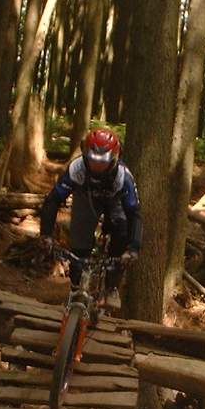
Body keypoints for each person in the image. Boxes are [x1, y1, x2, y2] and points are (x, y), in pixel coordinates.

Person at [39, 128, 142, 312]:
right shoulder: (77, 168)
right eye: (93, 159)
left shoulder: (123, 177)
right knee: (79, 243)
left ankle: (111, 287)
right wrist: (45, 234)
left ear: (114, 158)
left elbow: (134, 212)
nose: (96, 166)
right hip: (86, 197)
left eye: (102, 162)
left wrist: (133, 248)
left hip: (115, 200)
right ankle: (75, 288)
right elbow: (53, 200)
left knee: (121, 229)